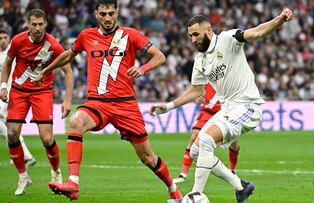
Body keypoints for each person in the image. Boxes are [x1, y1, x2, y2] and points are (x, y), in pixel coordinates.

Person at [33, 0, 182, 201]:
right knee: (76, 121)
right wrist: (46, 69)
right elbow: (69, 55)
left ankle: (173, 188)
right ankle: (73, 183)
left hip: (125, 104)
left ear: (117, 12)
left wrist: (143, 68)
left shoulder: (130, 34)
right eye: (103, 14)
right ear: (96, 14)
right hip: (98, 103)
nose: (108, 18)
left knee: (147, 157)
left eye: (111, 13)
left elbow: (160, 57)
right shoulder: (86, 35)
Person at [151, 9, 294, 203]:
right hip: (227, 108)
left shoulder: (228, 39)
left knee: (208, 141)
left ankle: (195, 195)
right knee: (195, 149)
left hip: (247, 106)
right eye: (190, 36)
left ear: (209, 30)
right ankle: (240, 186)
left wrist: (279, 20)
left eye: (196, 34)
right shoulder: (200, 61)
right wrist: (168, 107)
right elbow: (195, 91)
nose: (192, 39)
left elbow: (257, 32)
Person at [0, 9, 73, 196]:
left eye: (41, 24)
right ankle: (23, 176)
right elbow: (7, 64)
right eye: (34, 24)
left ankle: (56, 172)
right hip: (18, 91)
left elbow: (68, 71)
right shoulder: (17, 41)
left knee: (47, 138)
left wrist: (67, 100)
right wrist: (3, 86)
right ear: (28, 24)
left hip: (42, 92)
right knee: (11, 134)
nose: (37, 28)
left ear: (46, 24)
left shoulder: (53, 45)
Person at [173, 83, 240, 184]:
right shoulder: (207, 71)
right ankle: (183, 175)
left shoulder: (231, 75)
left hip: (225, 113)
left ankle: (232, 170)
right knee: (194, 136)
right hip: (208, 112)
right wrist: (197, 97)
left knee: (234, 144)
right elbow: (196, 90)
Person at [0, 28, 37, 168]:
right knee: (10, 128)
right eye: (0, 38)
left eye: (5, 37)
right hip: (2, 91)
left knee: (9, 126)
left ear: (9, 38)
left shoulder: (12, 51)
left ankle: (21, 154)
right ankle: (24, 155)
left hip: (11, 92)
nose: (3, 40)